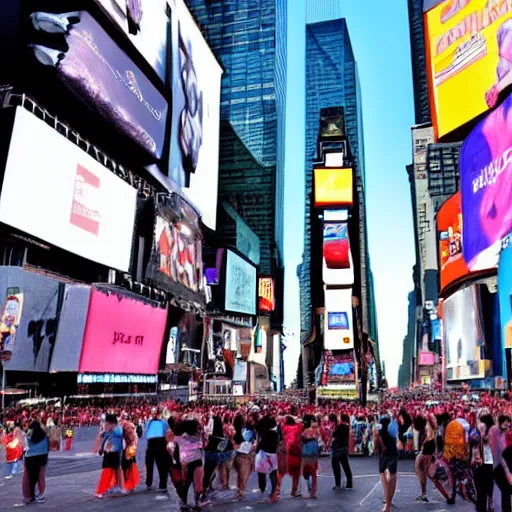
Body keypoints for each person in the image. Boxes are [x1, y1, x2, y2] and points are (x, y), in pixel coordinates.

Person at [95, 414, 125, 498]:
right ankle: (119, 487)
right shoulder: (114, 430)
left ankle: (101, 491)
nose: (105, 424)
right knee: (116, 470)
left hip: (112, 453)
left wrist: (102, 448)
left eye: (106, 423)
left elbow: (108, 442)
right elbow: (104, 438)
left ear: (111, 423)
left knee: (108, 471)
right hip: (114, 453)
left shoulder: (116, 431)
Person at [470, 413, 495, 512]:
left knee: (485, 490)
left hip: (487, 464)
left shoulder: (491, 433)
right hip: (481, 464)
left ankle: (488, 506)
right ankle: (484, 507)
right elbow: (473, 442)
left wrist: (483, 432)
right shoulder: (476, 433)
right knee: (482, 491)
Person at [144, 407, 170, 497]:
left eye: (155, 413)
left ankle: (161, 485)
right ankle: (150, 483)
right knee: (154, 467)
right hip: (154, 447)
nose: (153, 414)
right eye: (152, 412)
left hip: (157, 447)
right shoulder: (151, 422)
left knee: (161, 467)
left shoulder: (158, 422)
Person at [375, 415, 398, 512]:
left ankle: (387, 504)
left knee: (384, 477)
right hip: (393, 453)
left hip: (384, 456)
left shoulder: (380, 432)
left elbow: (378, 443)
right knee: (392, 476)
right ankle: (389, 501)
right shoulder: (392, 432)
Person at [23, 421, 49, 504]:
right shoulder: (43, 434)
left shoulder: (29, 434)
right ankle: (41, 495)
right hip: (42, 457)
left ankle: (30, 496)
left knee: (30, 478)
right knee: (40, 477)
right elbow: (47, 445)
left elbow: (25, 445)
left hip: (30, 458)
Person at [255, 415, 279, 503]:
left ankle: (263, 494)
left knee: (261, 475)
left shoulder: (262, 432)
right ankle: (273, 493)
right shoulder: (275, 433)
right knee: (273, 474)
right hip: (272, 454)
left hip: (262, 454)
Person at [233, 414, 256, 501]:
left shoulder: (242, 429)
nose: (247, 419)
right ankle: (241, 492)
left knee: (241, 475)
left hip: (242, 454)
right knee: (243, 475)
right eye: (245, 418)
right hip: (244, 455)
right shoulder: (243, 430)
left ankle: (240, 491)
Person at [492, 415, 512, 512]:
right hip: (500, 469)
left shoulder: (508, 436)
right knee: (506, 492)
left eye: (509, 425)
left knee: (506, 493)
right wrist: (507, 471)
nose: (508, 427)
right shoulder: (498, 437)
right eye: (505, 425)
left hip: (507, 467)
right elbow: (499, 456)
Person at [279, 415, 302, 498]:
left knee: (281, 472)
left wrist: (285, 416)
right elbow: (300, 421)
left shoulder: (284, 427)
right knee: (296, 473)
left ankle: (277, 490)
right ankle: (294, 491)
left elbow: (280, 421)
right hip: (297, 452)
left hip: (287, 452)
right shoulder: (298, 427)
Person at [414, 415, 434, 503]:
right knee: (424, 470)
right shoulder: (430, 423)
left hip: (428, 448)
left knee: (420, 468)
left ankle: (424, 493)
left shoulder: (428, 424)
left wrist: (423, 444)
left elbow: (430, 436)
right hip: (429, 448)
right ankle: (424, 493)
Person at [331, 413, 353, 490]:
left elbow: (334, 434)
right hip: (344, 447)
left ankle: (338, 484)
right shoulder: (348, 427)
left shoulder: (340, 427)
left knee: (336, 466)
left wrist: (334, 428)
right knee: (346, 465)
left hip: (338, 448)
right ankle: (349, 483)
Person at [301, 414, 320, 499]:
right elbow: (319, 441)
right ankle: (313, 492)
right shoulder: (317, 431)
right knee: (313, 474)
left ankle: (309, 489)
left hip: (305, 454)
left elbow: (302, 440)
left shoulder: (304, 431)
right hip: (314, 454)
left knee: (306, 473)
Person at [121, 414, 140, 493]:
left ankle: (128, 484)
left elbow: (132, 439)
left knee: (126, 467)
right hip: (129, 449)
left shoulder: (126, 426)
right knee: (128, 467)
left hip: (128, 450)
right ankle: (129, 484)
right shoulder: (129, 427)